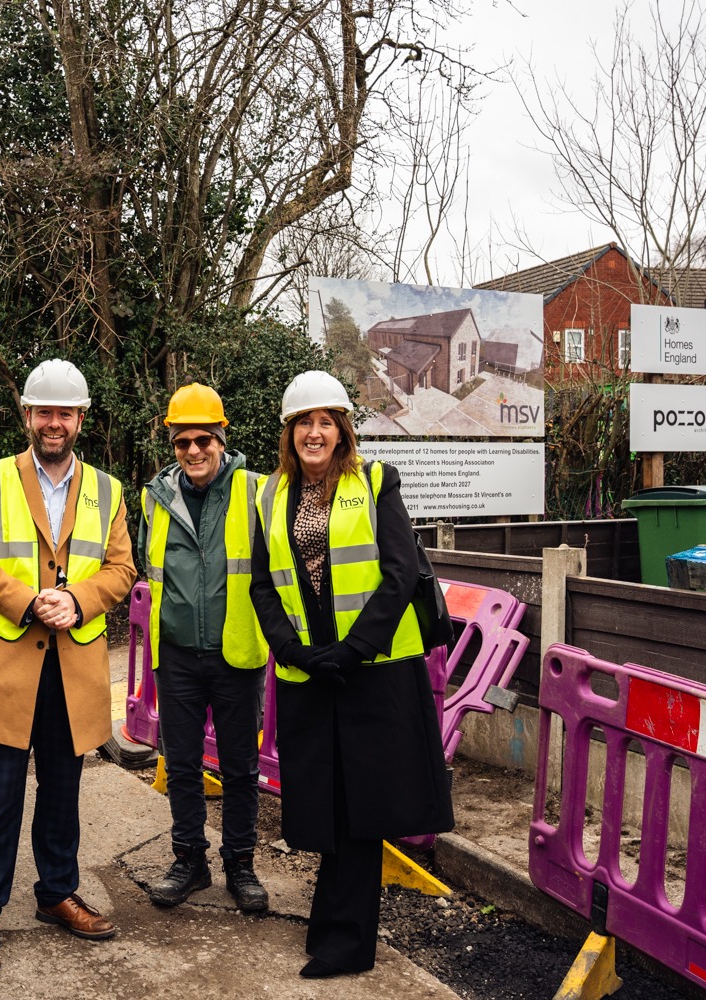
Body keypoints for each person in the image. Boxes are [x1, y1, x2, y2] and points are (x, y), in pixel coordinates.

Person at [249, 370, 454, 979]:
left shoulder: (375, 481)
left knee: (363, 806)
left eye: (326, 421)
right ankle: (330, 918)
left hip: (373, 672)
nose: (315, 432)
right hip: (309, 671)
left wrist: (354, 649)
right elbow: (262, 584)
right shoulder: (270, 495)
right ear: (290, 433)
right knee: (326, 804)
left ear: (342, 429)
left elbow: (397, 573)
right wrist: (290, 649)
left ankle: (350, 941)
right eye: (304, 423)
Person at [0, 359, 138, 977]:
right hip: (8, 661)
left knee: (63, 789)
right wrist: (29, 599)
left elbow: (121, 571)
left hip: (73, 663)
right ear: (27, 416)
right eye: (44, 412)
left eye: (65, 413)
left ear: (80, 419)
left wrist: (78, 599)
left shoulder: (108, 490)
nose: (53, 423)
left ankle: (56, 892)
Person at [136, 384, 269, 913]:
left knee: (239, 768)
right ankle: (189, 859)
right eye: (182, 441)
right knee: (183, 763)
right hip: (178, 656)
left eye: (203, 440)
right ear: (171, 442)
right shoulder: (155, 496)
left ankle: (241, 863)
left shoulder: (257, 491)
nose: (193, 451)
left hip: (237, 653)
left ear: (221, 438)